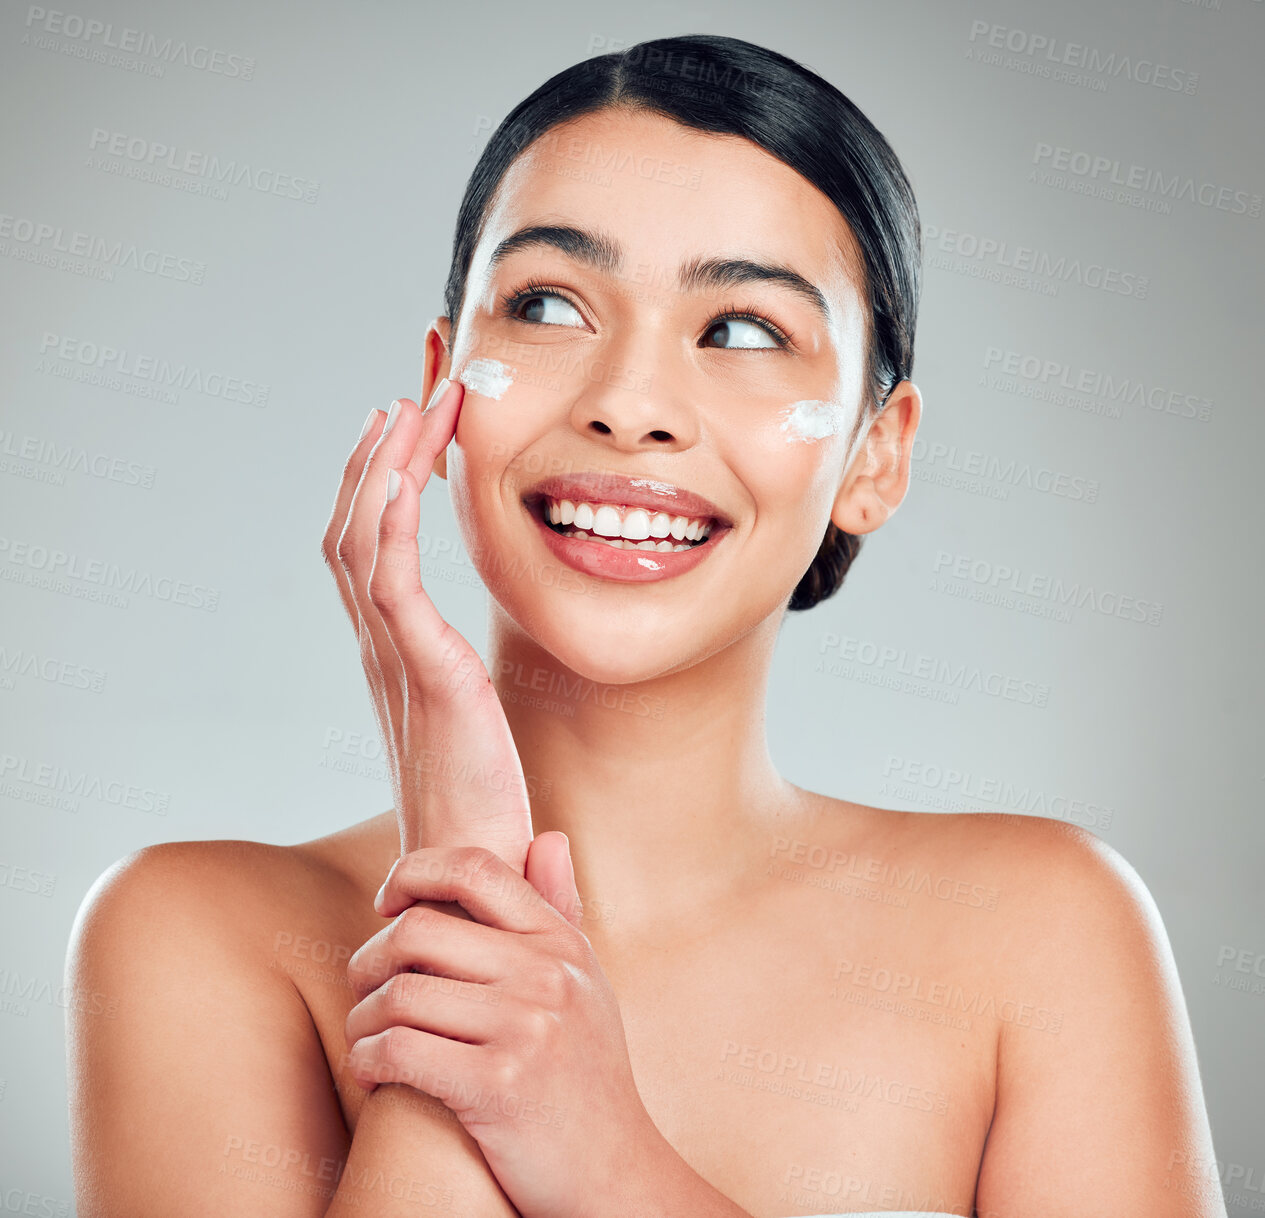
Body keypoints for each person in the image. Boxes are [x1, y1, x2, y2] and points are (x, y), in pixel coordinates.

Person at [64, 34, 1221, 1218]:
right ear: (441, 387)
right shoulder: (193, 937)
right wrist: (467, 885)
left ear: (877, 455)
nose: (629, 405)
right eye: (550, 305)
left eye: (744, 329)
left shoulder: (1041, 934)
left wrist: (600, 1152)